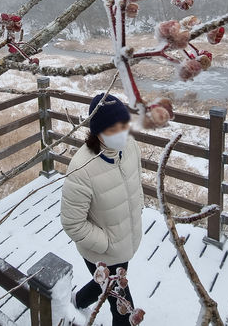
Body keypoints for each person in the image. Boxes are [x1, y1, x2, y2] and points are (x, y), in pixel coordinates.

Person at [61, 93, 144, 326]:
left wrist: (139, 206)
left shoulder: (130, 147)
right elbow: (72, 223)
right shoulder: (81, 168)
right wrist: (106, 244)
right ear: (97, 132)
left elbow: (136, 181)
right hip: (102, 251)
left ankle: (77, 300)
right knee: (123, 308)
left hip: (125, 240)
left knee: (103, 283)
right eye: (113, 128)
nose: (122, 133)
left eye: (124, 125)